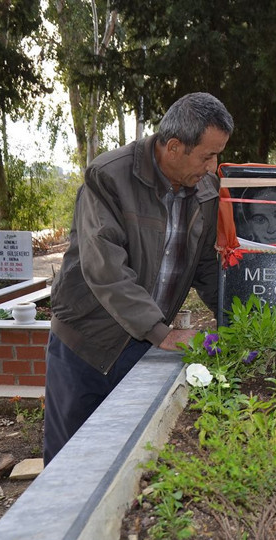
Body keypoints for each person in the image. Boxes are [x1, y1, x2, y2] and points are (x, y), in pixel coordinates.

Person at [43, 92, 234, 466]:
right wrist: (163, 334)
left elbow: (206, 268)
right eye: (207, 156)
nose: (213, 167)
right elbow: (105, 268)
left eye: (218, 155)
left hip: (142, 343)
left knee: (124, 461)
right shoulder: (109, 177)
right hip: (86, 344)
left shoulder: (205, 191)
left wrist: (238, 321)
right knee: (70, 463)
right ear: (174, 147)